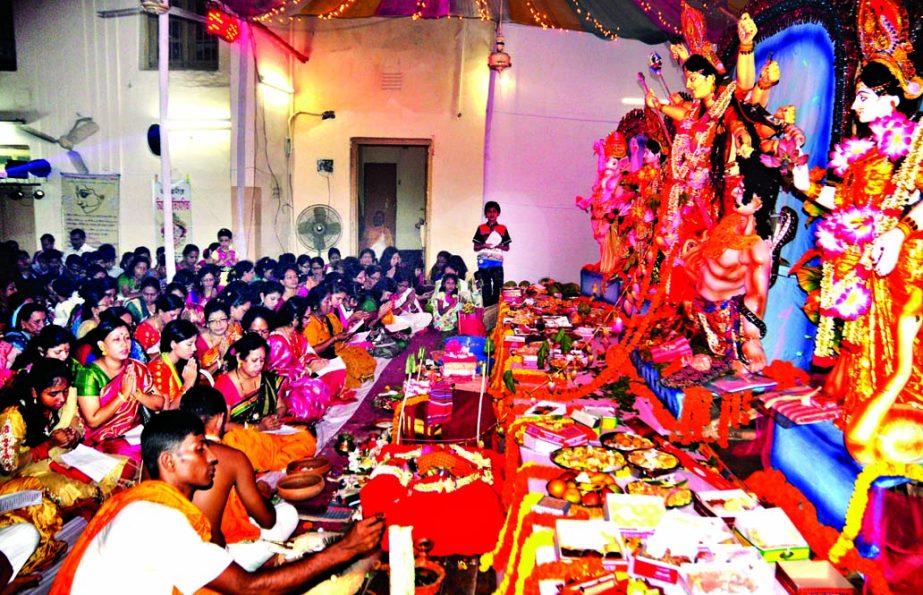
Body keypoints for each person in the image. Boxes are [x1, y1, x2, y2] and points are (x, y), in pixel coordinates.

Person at [50, 409, 385, 595]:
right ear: (169, 462)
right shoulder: (155, 518)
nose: (211, 457)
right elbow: (250, 588)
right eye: (199, 449)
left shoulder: (154, 504)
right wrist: (344, 550)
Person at [793, 49, 923, 464]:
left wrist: (900, 232)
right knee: (861, 352)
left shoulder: (914, 144)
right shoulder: (865, 152)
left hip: (900, 268)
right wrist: (806, 187)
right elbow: (849, 204)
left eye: (863, 96)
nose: (853, 105)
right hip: (861, 263)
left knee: (898, 360)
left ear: (892, 100)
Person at [181, 386, 300, 571]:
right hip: (225, 561)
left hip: (181, 556)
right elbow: (267, 520)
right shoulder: (231, 456)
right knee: (288, 512)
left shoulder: (171, 455)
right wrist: (262, 493)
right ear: (221, 418)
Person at [682, 180, 772, 374]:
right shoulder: (725, 222)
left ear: (759, 202)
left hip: (725, 319)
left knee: (733, 373)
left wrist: (752, 339)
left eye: (744, 189)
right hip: (698, 311)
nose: (736, 192)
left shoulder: (756, 248)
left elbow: (756, 294)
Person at [213, 334, 316, 471]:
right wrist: (257, 428)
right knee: (238, 446)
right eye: (254, 361)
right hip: (245, 438)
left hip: (270, 433)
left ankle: (272, 461)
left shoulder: (265, 378)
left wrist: (274, 418)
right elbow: (223, 426)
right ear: (239, 358)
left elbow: (281, 406)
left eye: (262, 361)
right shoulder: (225, 385)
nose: (259, 366)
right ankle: (271, 462)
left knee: (305, 438)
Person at [75, 316, 165, 459]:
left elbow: (159, 403)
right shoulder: (88, 374)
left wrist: (137, 394)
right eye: (116, 340)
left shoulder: (136, 368)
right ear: (102, 345)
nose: (124, 344)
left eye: (127, 338)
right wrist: (122, 396)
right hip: (101, 439)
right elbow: (93, 421)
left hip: (133, 433)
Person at [266, 299, 336, 420]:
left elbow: (308, 352)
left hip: (302, 376)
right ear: (294, 318)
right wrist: (308, 370)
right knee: (313, 390)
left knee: (334, 373)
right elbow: (279, 376)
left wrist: (315, 361)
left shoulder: (297, 334)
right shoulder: (277, 341)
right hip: (283, 391)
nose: (309, 321)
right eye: (306, 317)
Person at [303, 284, 376, 390]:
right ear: (315, 305)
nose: (330, 305)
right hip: (322, 359)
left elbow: (341, 333)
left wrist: (348, 335)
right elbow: (312, 351)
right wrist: (335, 339)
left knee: (360, 354)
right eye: (326, 302)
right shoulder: (310, 323)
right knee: (349, 363)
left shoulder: (331, 317)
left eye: (329, 301)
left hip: (338, 350)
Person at [148, 320, 201, 410]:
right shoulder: (158, 368)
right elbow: (166, 411)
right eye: (189, 344)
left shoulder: (177, 361)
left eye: (194, 343)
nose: (194, 348)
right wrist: (187, 385)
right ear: (173, 344)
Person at [473, 201, 512, 307]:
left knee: (498, 290)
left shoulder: (502, 228)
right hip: (483, 264)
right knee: (485, 289)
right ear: (486, 214)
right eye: (489, 211)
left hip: (497, 264)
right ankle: (487, 315)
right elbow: (475, 248)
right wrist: (484, 246)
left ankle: (495, 314)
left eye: (494, 211)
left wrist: (498, 245)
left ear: (498, 213)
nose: (491, 214)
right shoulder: (481, 228)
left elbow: (507, 247)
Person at [197, 301, 241, 377]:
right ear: (207, 323)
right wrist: (222, 358)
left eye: (222, 319)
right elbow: (201, 377)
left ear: (228, 320)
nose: (218, 324)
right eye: (213, 321)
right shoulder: (199, 343)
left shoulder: (233, 335)